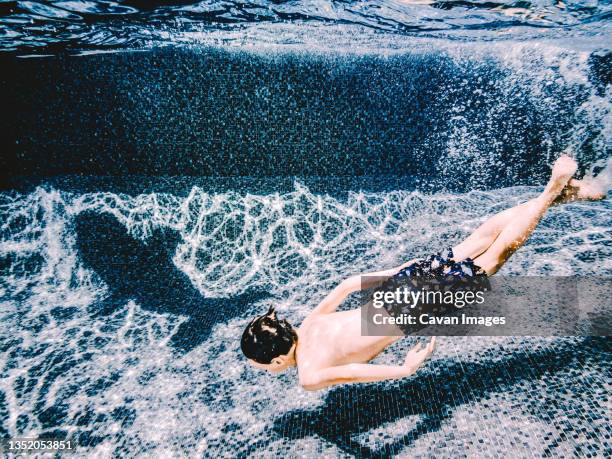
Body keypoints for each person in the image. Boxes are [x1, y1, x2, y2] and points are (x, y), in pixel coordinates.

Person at [240, 156, 605, 391]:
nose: (262, 371)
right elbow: (348, 284)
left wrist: (404, 370)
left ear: (276, 360)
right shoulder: (310, 323)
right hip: (393, 290)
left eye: (259, 367)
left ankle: (550, 191)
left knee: (492, 260)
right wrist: (399, 270)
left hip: (411, 312)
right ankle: (562, 195)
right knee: (475, 241)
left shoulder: (308, 375)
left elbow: (356, 373)